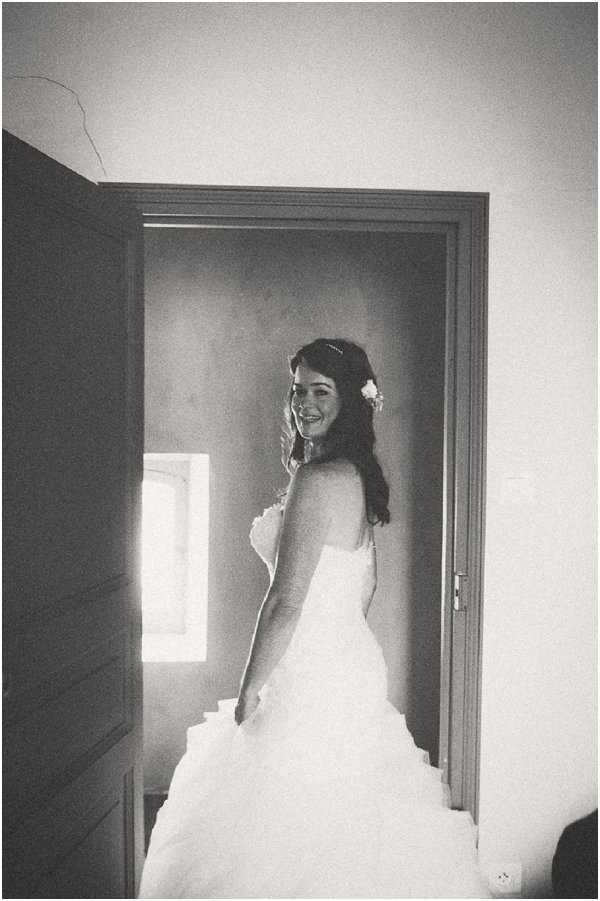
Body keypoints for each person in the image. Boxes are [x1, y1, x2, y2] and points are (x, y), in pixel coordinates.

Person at [139, 338, 490, 899]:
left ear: (351, 400)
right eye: (298, 389)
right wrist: (335, 644)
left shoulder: (318, 480)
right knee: (345, 815)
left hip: (311, 673)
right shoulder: (355, 476)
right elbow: (363, 588)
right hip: (348, 662)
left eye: (319, 391)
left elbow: (286, 599)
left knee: (286, 817)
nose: (303, 403)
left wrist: (250, 685)